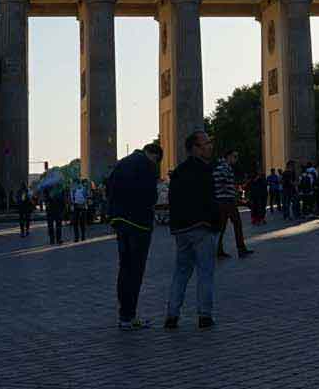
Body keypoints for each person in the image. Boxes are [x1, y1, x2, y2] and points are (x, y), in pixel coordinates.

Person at [166, 128, 224, 330]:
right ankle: (204, 316)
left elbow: (172, 202)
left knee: (181, 273)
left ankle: (172, 316)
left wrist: (175, 227)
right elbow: (210, 201)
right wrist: (216, 224)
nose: (210, 146)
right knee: (205, 273)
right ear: (195, 149)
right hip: (202, 228)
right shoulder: (205, 170)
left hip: (181, 231)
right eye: (206, 143)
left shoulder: (178, 172)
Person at [105, 143, 163, 329]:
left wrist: (114, 215)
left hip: (120, 222)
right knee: (136, 270)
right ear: (154, 155)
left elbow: (109, 189)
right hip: (139, 223)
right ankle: (130, 316)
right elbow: (151, 196)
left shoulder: (122, 163)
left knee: (124, 268)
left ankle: (124, 315)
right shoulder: (147, 165)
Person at [213, 149, 251, 259]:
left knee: (222, 227)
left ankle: (219, 251)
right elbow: (223, 185)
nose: (236, 159)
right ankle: (241, 249)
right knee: (237, 224)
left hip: (223, 200)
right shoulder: (223, 168)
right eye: (234, 157)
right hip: (226, 200)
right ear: (228, 156)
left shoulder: (223, 167)